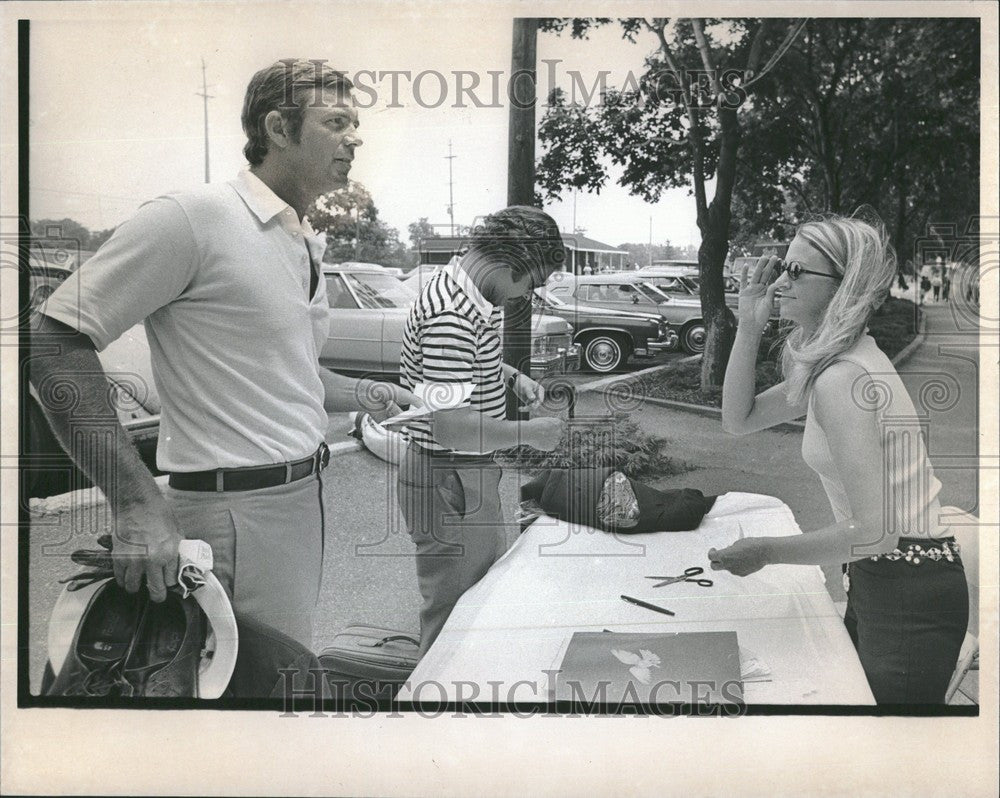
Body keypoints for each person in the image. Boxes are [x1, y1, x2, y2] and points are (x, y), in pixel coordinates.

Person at [31, 60, 415, 652]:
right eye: (336, 121)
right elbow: (55, 340)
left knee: (274, 681)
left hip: (300, 499)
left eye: (355, 122)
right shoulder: (193, 217)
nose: (354, 137)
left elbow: (293, 375)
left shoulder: (300, 238)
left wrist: (379, 394)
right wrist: (135, 505)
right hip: (231, 510)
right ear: (279, 130)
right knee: (238, 707)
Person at [710, 214, 968, 704]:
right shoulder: (835, 362)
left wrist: (765, 551)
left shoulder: (841, 379)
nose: (780, 281)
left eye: (797, 272)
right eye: (784, 266)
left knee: (889, 759)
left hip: (907, 590)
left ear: (842, 288)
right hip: (884, 575)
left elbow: (875, 532)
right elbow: (738, 419)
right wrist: (748, 328)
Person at [397, 206, 567, 655]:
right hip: (450, 471)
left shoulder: (466, 296)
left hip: (459, 474)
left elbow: (466, 366)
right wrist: (530, 433)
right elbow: (452, 427)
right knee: (456, 613)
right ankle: (439, 707)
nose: (523, 296)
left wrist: (511, 377)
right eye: (529, 283)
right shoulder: (451, 314)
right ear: (509, 264)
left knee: (474, 599)